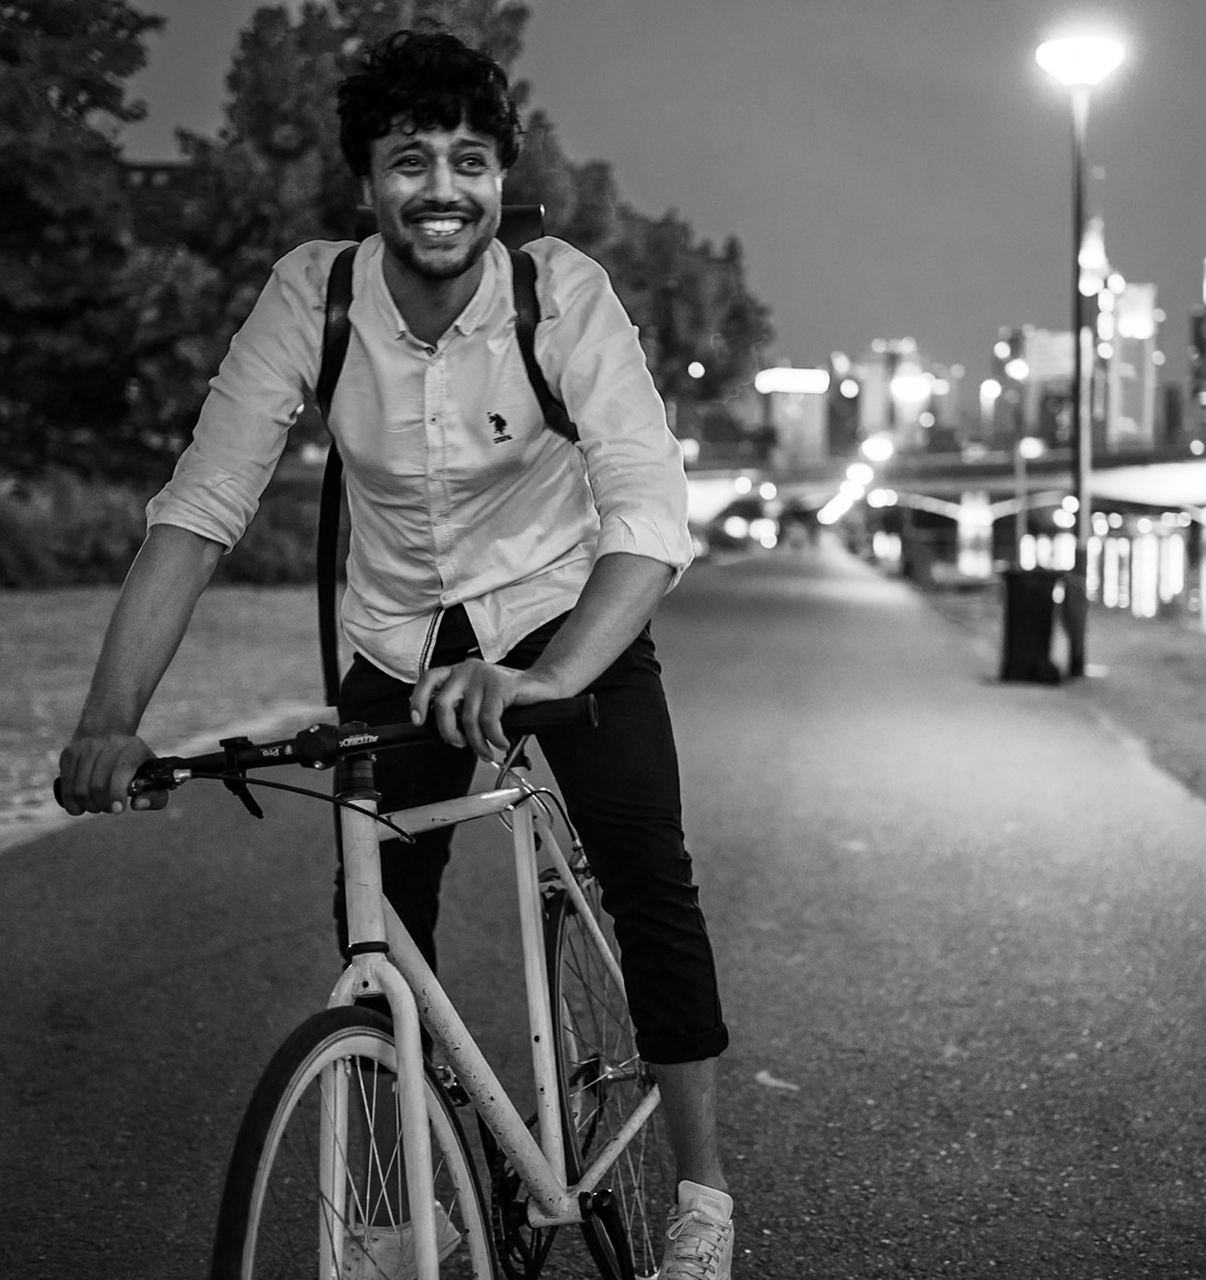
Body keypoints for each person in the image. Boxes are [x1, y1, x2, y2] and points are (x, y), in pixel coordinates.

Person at [57, 27, 734, 1279]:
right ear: (366, 183)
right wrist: (111, 715)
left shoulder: (560, 291)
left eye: (470, 160)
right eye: (409, 159)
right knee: (376, 923)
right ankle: (381, 1218)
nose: (442, 187)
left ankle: (699, 1195)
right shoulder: (312, 296)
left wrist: (551, 675)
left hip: (560, 615)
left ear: (500, 178)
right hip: (399, 636)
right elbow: (202, 507)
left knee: (649, 868)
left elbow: (647, 516)